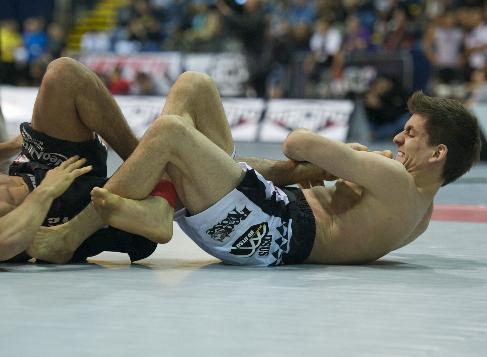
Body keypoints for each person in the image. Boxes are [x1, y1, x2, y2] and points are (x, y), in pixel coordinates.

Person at [30, 72, 481, 266]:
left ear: (438, 153)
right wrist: (320, 171)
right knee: (194, 87)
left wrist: (346, 153)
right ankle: (158, 204)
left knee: (169, 131)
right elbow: (279, 172)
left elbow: (296, 142)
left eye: (410, 134)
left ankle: (74, 232)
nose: (398, 140)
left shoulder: (394, 177)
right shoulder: (421, 214)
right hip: (272, 216)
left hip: (269, 231)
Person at [0, 57, 159, 263]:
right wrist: (45, 191)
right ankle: (155, 170)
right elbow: (5, 243)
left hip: (30, 166)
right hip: (56, 209)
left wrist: (11, 146)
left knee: (63, 73)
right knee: (166, 139)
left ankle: (147, 163)